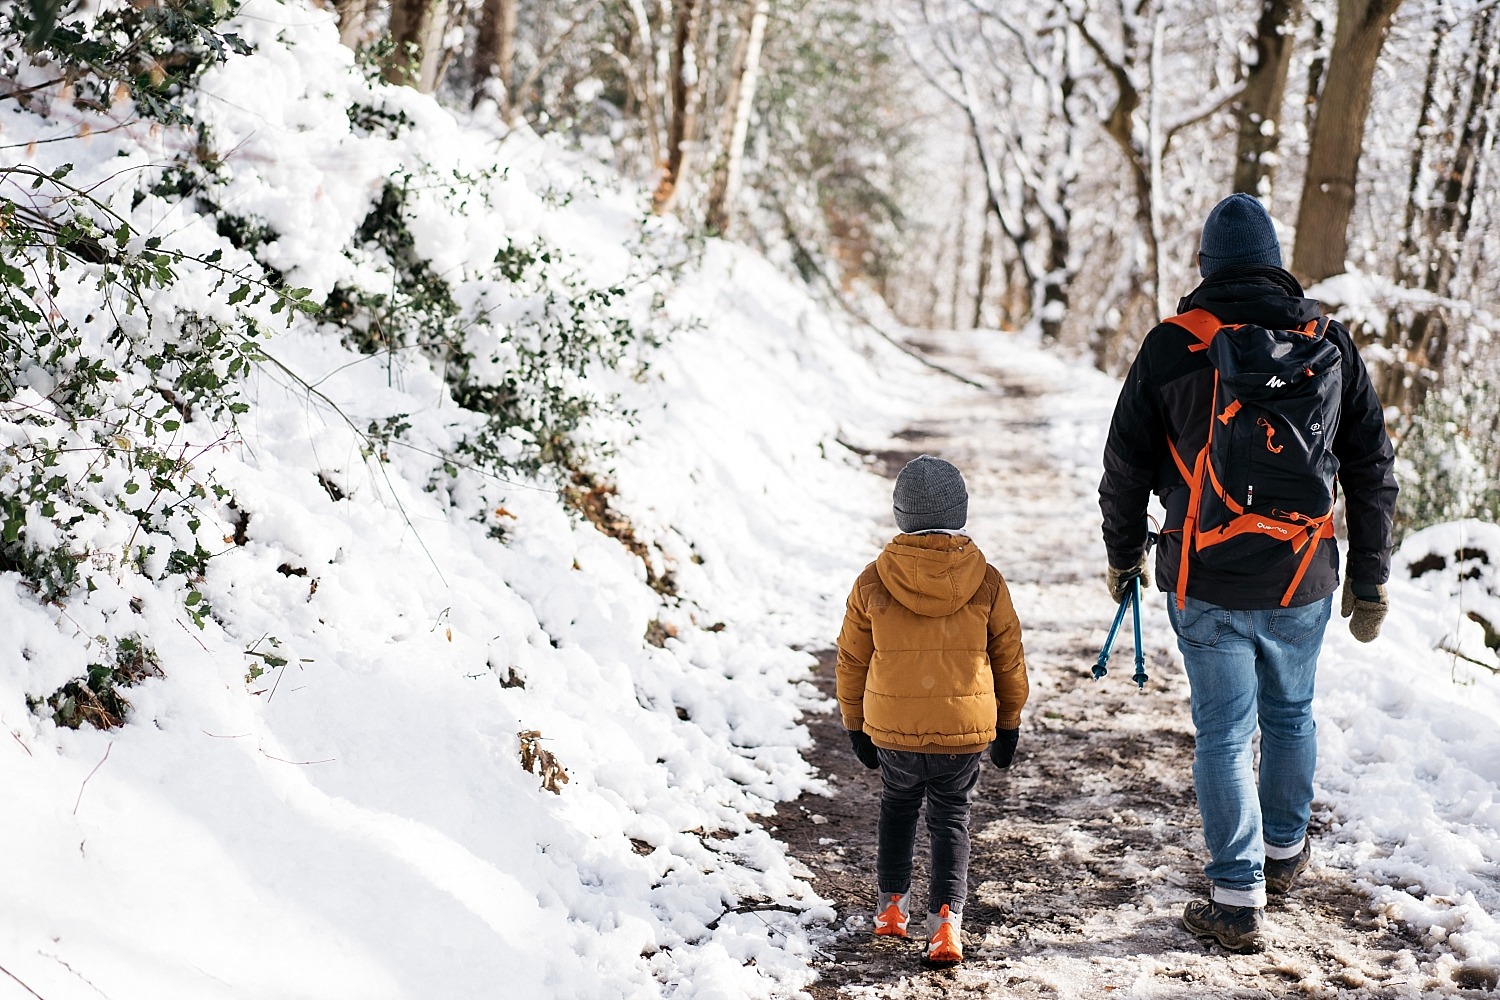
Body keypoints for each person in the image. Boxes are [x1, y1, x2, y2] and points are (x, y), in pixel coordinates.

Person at [1098, 193, 1398, 952]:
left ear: (1206, 269)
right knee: (1291, 714)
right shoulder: (1327, 342)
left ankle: (1236, 898)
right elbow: (1370, 466)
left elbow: (1125, 466)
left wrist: (1123, 552)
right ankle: (1283, 853)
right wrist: (1370, 576)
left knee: (1224, 736)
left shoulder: (1173, 345)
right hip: (1303, 574)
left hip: (1205, 576)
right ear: (1274, 264)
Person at [835, 454, 1029, 966]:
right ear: (961, 511)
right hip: (962, 734)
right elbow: (1008, 657)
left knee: (896, 808)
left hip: (894, 731)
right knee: (951, 817)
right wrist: (1008, 722)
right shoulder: (986, 580)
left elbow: (852, 659)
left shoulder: (872, 581)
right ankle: (945, 925)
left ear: (900, 514)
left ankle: (891, 909)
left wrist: (854, 724)